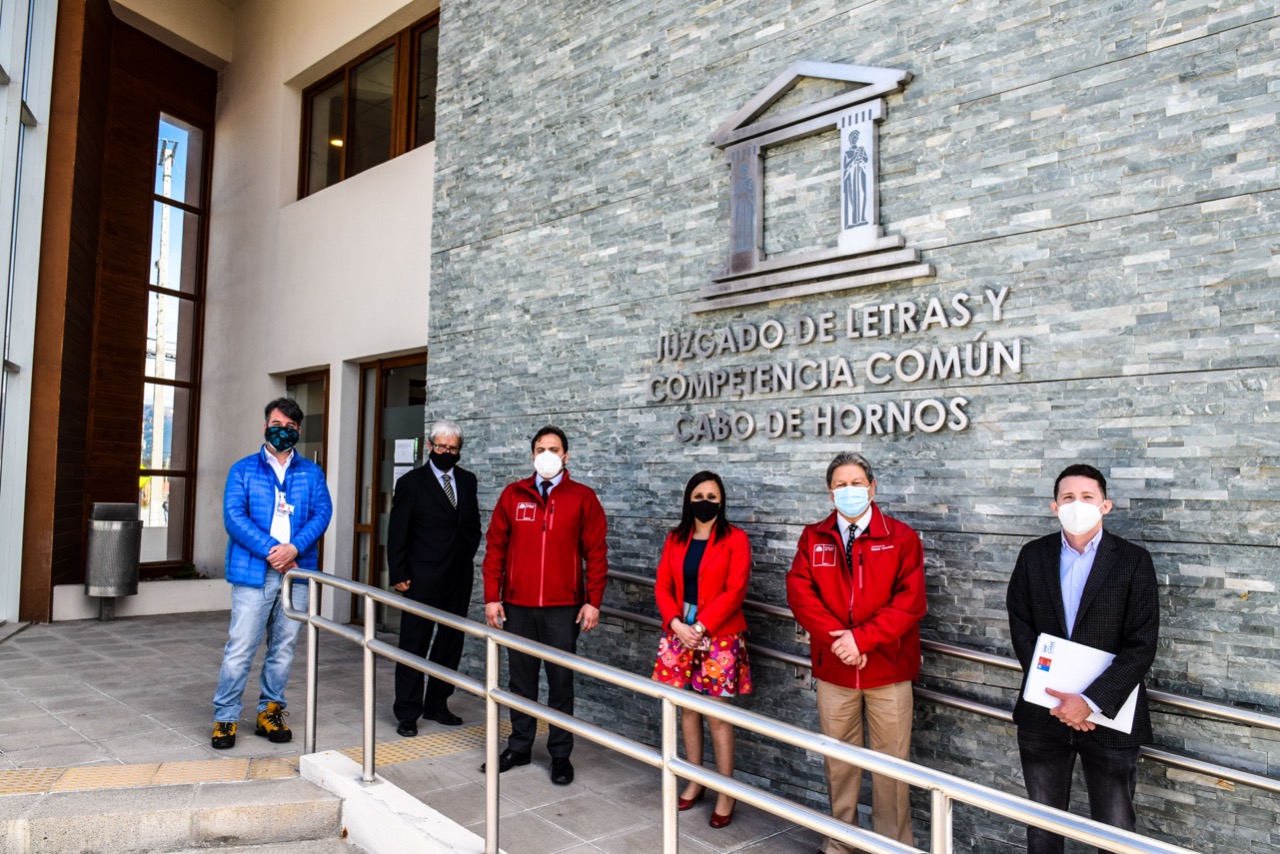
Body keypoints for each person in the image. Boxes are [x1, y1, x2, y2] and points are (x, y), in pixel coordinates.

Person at [1006, 464, 1159, 854]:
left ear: (1105, 505)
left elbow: (1141, 644)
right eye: (1068, 497)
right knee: (1043, 829)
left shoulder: (1133, 561)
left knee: (1115, 831)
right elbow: (1021, 626)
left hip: (1110, 718)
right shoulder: (1033, 556)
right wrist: (1058, 699)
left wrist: (1089, 703)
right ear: (1054, 506)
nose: (1077, 504)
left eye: (1087, 497)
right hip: (1045, 714)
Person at [786, 451, 926, 852]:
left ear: (873, 487)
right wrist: (839, 641)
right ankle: (840, 842)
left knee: (892, 770)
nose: (850, 491)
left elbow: (910, 601)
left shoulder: (900, 537)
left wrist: (861, 640)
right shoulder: (813, 537)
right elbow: (800, 593)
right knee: (839, 764)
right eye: (841, 485)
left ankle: (891, 846)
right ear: (830, 493)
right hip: (835, 672)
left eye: (857, 483)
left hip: (888, 672)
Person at [482, 426, 608, 785]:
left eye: (554, 448)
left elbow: (596, 553)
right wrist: (492, 596)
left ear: (566, 455)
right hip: (518, 605)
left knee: (560, 683)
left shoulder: (582, 497)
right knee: (520, 681)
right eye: (541, 448)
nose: (547, 454)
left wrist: (592, 601)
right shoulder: (513, 494)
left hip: (563, 608)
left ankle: (560, 755)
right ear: (532, 455)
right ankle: (519, 746)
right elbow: (495, 549)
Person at [211, 398, 333, 749]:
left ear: (298, 431)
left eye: (292, 427)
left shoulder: (311, 472)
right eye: (278, 424)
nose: (284, 431)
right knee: (241, 647)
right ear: (266, 427)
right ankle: (225, 717)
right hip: (254, 573)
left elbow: (322, 514)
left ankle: (270, 711)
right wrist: (272, 551)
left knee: (284, 647)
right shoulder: (243, 470)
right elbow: (234, 517)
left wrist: (293, 549)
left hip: (297, 572)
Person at [651, 471, 753, 829]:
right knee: (687, 712)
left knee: (718, 716)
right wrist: (677, 624)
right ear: (688, 499)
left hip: (719, 634)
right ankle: (694, 778)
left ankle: (726, 790)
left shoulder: (735, 539)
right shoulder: (676, 538)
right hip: (679, 634)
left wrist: (701, 626)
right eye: (698, 495)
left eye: (712, 496)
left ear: (721, 501)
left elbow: (735, 590)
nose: (705, 501)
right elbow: (663, 585)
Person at [388, 419, 482, 736]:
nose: (445, 452)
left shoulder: (467, 481)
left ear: (459, 450)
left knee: (449, 643)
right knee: (414, 644)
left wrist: (465, 556)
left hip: (458, 576)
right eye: (440, 447)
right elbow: (398, 529)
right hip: (420, 578)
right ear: (429, 446)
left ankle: (438, 703)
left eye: (452, 448)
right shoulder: (412, 482)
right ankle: (407, 711)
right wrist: (399, 572)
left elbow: (471, 526)